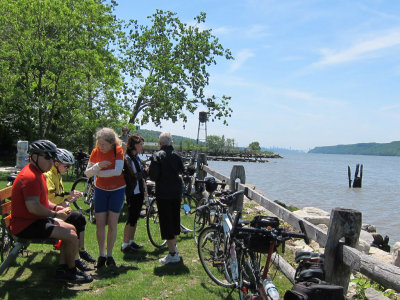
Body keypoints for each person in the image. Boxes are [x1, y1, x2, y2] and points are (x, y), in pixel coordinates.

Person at [10, 140, 92, 283]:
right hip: (25, 226)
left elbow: (43, 201)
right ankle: (71, 271)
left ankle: (63, 269)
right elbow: (33, 207)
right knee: (71, 236)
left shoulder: (38, 173)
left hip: (34, 221)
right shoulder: (29, 177)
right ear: (34, 156)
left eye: (52, 158)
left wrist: (55, 207)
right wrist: (55, 214)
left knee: (72, 229)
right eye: (47, 158)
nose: (51, 162)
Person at [44, 148, 96, 271]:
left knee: (79, 218)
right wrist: (69, 196)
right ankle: (76, 257)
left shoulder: (56, 174)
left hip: (56, 208)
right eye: (66, 166)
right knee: (77, 219)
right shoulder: (49, 175)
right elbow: (51, 197)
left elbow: (59, 195)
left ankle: (80, 250)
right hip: (49, 212)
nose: (67, 169)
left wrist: (68, 198)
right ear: (56, 163)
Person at [85, 128, 126, 268]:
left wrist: (98, 173)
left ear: (111, 143)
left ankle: (110, 255)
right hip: (100, 190)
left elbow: (117, 171)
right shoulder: (95, 152)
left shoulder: (118, 150)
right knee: (100, 224)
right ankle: (102, 255)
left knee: (113, 224)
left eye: (103, 144)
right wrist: (97, 166)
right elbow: (87, 173)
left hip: (117, 190)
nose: (100, 147)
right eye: (99, 143)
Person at [148, 132, 184, 264]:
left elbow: (153, 176)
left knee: (166, 222)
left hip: (163, 193)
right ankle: (173, 247)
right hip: (176, 192)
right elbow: (182, 170)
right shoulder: (177, 155)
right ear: (171, 142)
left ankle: (173, 254)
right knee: (174, 221)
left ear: (160, 143)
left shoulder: (157, 156)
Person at [121, 134, 148, 253]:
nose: (142, 146)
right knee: (131, 217)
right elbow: (132, 176)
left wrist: (145, 171)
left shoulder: (136, 157)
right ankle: (125, 244)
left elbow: (140, 173)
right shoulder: (127, 158)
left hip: (139, 190)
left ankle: (131, 241)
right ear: (134, 145)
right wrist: (144, 173)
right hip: (133, 191)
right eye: (140, 144)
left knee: (135, 217)